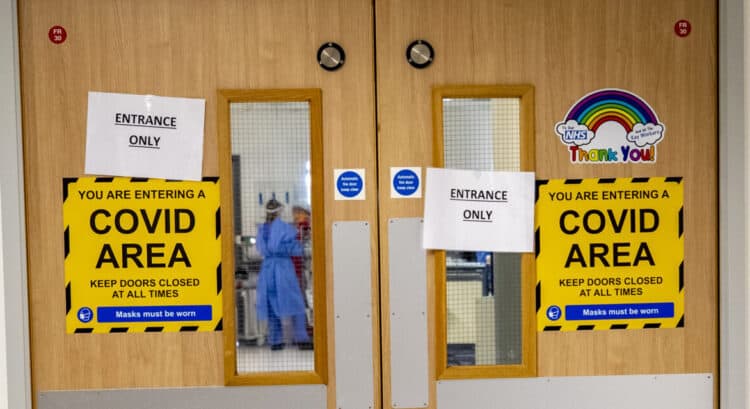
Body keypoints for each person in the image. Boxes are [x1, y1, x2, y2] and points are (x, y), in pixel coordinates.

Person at [255, 199, 312, 350]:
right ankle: (302, 339)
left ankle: (275, 341)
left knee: (271, 304)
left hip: (267, 270)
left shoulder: (262, 229)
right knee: (295, 302)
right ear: (279, 211)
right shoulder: (284, 228)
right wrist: (301, 245)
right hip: (283, 268)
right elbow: (293, 248)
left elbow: (261, 249)